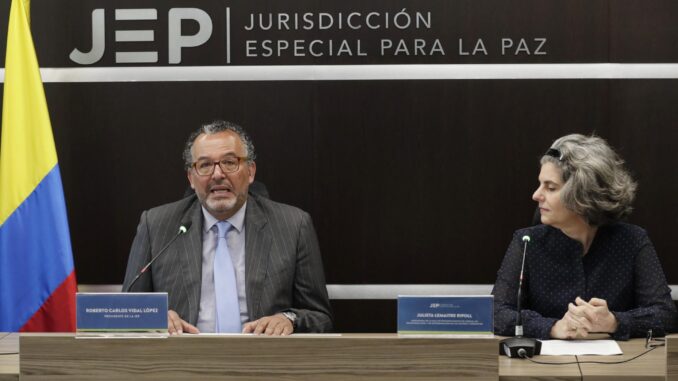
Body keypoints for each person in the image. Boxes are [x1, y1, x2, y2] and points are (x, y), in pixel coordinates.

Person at [122, 120, 333, 335]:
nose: (217, 174)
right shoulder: (156, 225)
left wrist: (288, 319)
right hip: (181, 362)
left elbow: (320, 317)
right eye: (204, 165)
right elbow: (125, 311)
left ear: (250, 171)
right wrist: (153, 317)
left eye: (229, 162)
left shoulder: (293, 225)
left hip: (263, 362)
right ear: (191, 178)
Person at [493, 134, 677, 340]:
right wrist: (553, 327)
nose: (536, 195)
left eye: (550, 187)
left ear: (582, 196)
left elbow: (666, 315)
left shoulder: (633, 241)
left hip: (619, 366)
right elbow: (495, 313)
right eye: (540, 184)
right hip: (544, 367)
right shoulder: (527, 242)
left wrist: (615, 322)